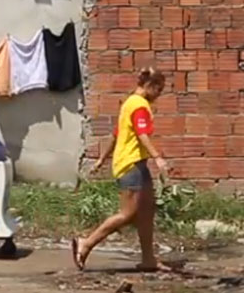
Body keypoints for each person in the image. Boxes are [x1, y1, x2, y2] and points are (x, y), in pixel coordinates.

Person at [71, 67, 171, 271]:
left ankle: (148, 259)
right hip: (131, 165)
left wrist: (101, 159)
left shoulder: (128, 104)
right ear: (150, 86)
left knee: (146, 211)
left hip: (136, 165)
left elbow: (116, 135)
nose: (158, 96)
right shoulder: (139, 106)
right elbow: (143, 135)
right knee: (127, 214)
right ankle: (86, 243)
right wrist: (158, 158)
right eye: (158, 90)